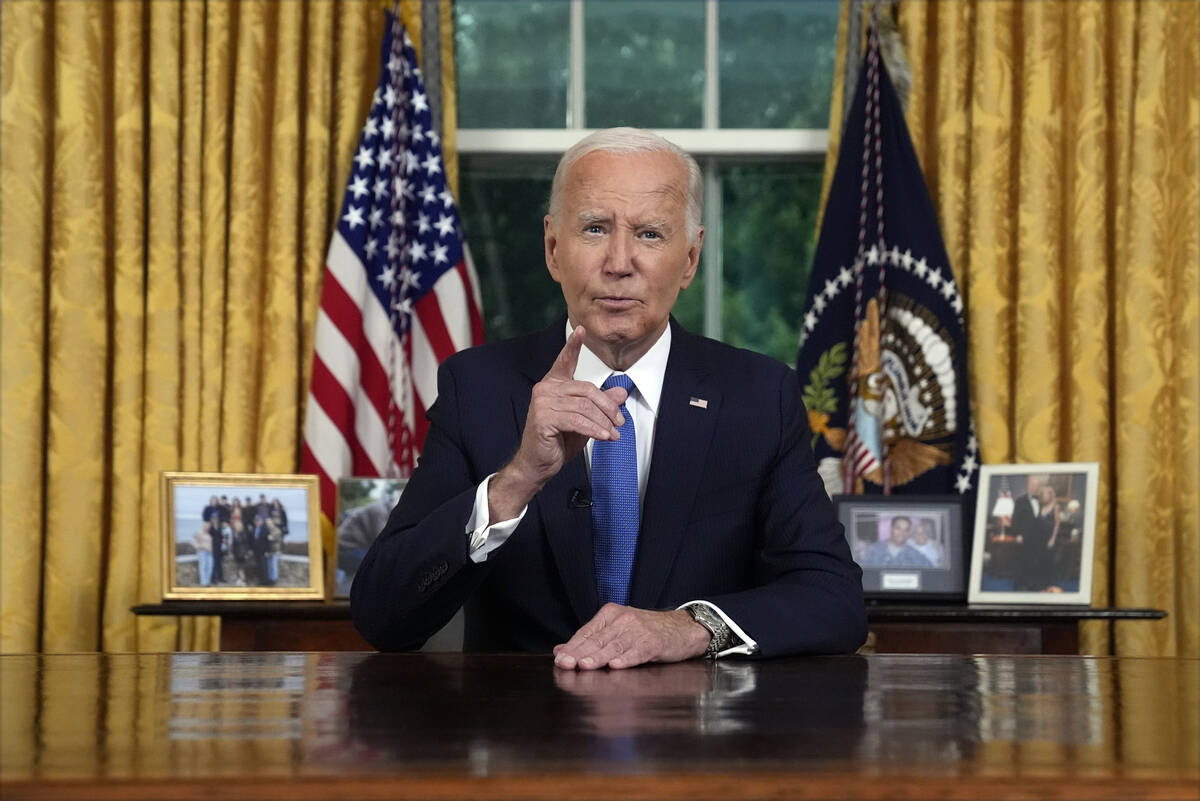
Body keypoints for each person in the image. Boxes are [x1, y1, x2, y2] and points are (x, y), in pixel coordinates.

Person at [351, 128, 866, 668]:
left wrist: (689, 627)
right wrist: (517, 479)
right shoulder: (477, 387)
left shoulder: (760, 397)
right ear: (554, 249)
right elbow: (382, 616)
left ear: (690, 259)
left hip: (697, 738)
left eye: (649, 234)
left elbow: (833, 600)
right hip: (524, 732)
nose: (620, 262)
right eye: (595, 229)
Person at [862, 516, 931, 568]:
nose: (902, 533)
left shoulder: (916, 555)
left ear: (909, 533)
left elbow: (930, 571)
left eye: (906, 530)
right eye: (898, 528)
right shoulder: (873, 550)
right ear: (891, 529)